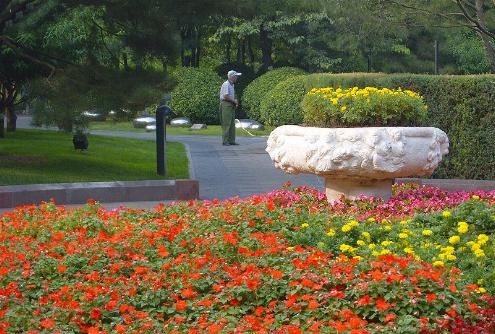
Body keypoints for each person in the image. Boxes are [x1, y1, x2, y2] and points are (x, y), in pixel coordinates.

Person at [219, 70, 241, 145]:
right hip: (226, 104)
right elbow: (226, 96)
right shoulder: (226, 84)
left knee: (232, 123)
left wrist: (235, 101)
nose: (237, 78)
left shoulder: (232, 85)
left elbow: (231, 95)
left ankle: (231, 140)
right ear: (231, 77)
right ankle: (225, 141)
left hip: (231, 104)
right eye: (236, 76)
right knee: (226, 123)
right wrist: (234, 101)